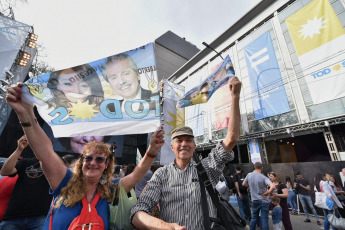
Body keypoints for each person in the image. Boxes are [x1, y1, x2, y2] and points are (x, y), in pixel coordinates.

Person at [5, 82, 165, 229]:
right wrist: (25, 114)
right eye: (88, 158)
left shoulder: (112, 190)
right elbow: (44, 151)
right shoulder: (64, 181)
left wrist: (152, 150)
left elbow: (138, 173)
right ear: (81, 162)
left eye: (100, 159)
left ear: (106, 165)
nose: (93, 162)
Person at [130, 76, 241, 229]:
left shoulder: (208, 169)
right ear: (172, 147)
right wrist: (166, 227)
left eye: (188, 140)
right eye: (179, 140)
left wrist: (235, 97)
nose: (184, 144)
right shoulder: (161, 175)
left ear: (194, 146)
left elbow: (230, 140)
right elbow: (138, 213)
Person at [0, 135, 52, 230]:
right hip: (13, 216)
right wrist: (19, 149)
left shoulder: (55, 164)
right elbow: (5, 171)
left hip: (40, 216)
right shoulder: (25, 162)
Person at [242, 162, 275, 230]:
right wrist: (267, 192)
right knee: (264, 219)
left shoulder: (249, 175)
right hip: (264, 200)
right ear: (262, 168)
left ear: (254, 167)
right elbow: (272, 186)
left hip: (255, 200)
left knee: (254, 218)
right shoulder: (263, 177)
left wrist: (250, 185)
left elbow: (243, 184)